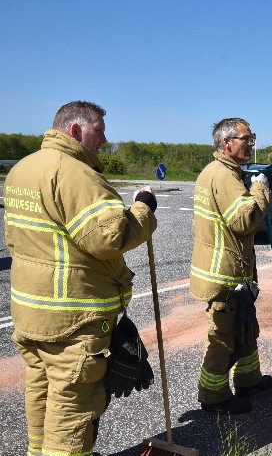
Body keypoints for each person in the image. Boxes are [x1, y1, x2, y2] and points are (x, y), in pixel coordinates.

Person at [5, 101, 158, 456]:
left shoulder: (22, 170)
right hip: (73, 320)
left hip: (31, 312)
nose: (105, 139)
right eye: (99, 131)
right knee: (73, 412)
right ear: (75, 130)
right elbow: (109, 238)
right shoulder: (74, 173)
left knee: (41, 394)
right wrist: (144, 207)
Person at [190, 117, 272, 414]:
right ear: (227, 143)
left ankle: (248, 380)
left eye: (252, 137)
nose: (251, 143)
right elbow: (244, 220)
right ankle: (214, 398)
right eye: (246, 138)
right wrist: (261, 191)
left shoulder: (222, 172)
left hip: (231, 272)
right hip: (223, 276)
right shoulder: (223, 176)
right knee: (222, 338)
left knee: (245, 328)